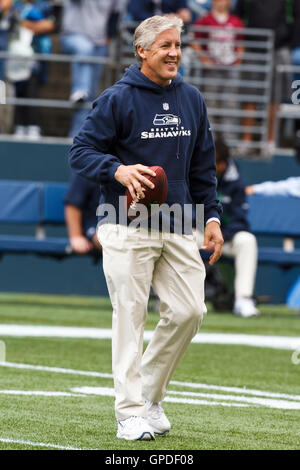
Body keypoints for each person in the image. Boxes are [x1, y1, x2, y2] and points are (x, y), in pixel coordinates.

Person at [69, 15, 223, 440]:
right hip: (123, 223)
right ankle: (130, 413)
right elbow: (80, 152)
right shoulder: (115, 99)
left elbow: (203, 166)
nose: (175, 53)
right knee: (130, 317)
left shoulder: (192, 98)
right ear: (142, 51)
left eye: (178, 45)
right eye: (166, 46)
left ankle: (150, 397)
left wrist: (211, 216)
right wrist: (116, 171)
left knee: (191, 311)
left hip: (179, 222)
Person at [60, 0, 126, 137]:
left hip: (100, 43)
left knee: (90, 95)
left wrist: (109, 36)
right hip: (72, 35)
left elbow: (116, 13)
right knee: (84, 48)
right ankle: (80, 89)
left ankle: (77, 136)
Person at [215, 137, 259, 317]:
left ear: (223, 165)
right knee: (180, 236)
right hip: (200, 236)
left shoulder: (235, 182)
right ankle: (170, 299)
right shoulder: (193, 174)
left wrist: (223, 234)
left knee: (247, 241)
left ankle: (243, 300)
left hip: (226, 238)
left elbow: (240, 218)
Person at [191, 0, 244, 143]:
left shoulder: (236, 21)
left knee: (230, 104)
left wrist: (238, 62)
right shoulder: (205, 20)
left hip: (230, 68)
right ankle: (210, 140)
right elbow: (194, 40)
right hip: (212, 70)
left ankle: (229, 141)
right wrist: (205, 60)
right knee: (210, 104)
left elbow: (240, 44)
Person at [10, 0, 55, 139]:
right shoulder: (14, 4)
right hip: (14, 58)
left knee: (32, 88)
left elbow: (48, 25)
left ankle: (33, 126)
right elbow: (14, 23)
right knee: (16, 90)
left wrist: (27, 24)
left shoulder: (43, 5)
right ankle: (19, 126)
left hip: (35, 55)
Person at [64, 173, 102, 254]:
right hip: (95, 226)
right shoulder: (90, 166)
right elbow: (72, 205)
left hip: (125, 224)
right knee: (108, 240)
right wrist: (76, 236)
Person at [126, 0, 191, 23]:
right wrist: (163, 18)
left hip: (170, 30)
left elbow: (186, 16)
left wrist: (173, 17)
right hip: (147, 30)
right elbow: (137, 14)